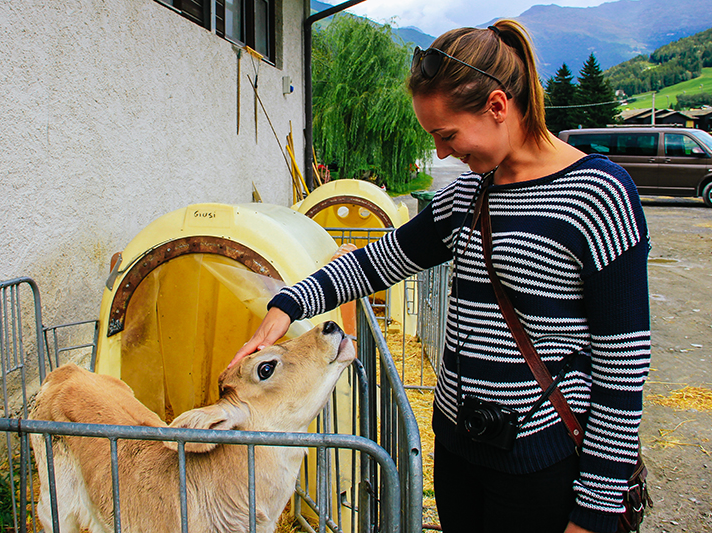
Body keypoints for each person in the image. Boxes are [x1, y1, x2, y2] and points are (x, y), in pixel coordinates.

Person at [231, 19, 650, 533]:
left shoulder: (600, 197)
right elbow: (373, 262)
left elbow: (622, 368)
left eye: (447, 135)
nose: (445, 153)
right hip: (457, 449)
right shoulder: (465, 197)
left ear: (497, 107)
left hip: (539, 465)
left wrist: (594, 512)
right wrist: (288, 305)